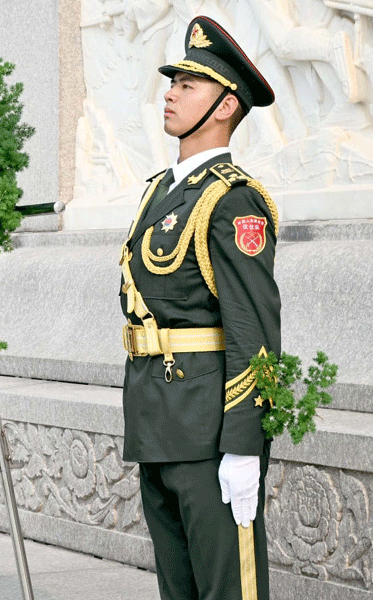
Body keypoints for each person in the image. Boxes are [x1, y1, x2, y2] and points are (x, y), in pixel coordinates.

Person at [119, 16, 280, 600]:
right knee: (178, 589)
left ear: (224, 106)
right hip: (157, 421)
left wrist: (244, 442)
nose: (171, 93)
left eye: (189, 85)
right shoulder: (160, 190)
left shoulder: (232, 199)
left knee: (226, 590)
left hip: (209, 429)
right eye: (174, 82)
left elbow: (253, 328)